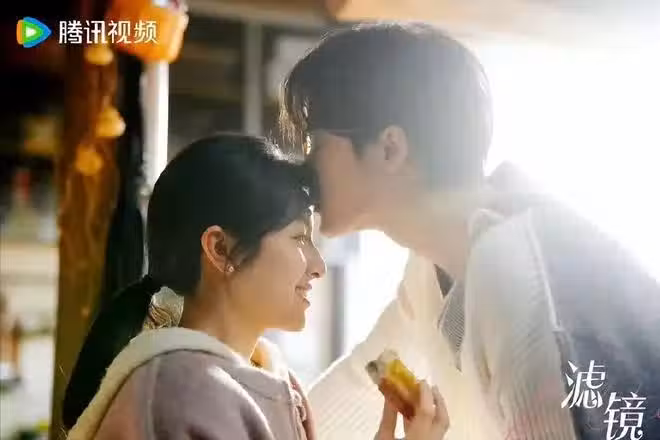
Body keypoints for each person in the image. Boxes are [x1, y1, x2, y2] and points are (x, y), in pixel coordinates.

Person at [280, 22, 660, 440]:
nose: (303, 171)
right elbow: (369, 376)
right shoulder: (433, 265)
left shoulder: (520, 275)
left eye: (313, 147)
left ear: (390, 148)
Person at [61, 133, 448, 440]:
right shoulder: (180, 391)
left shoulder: (275, 382)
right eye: (299, 238)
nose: (318, 266)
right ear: (220, 249)